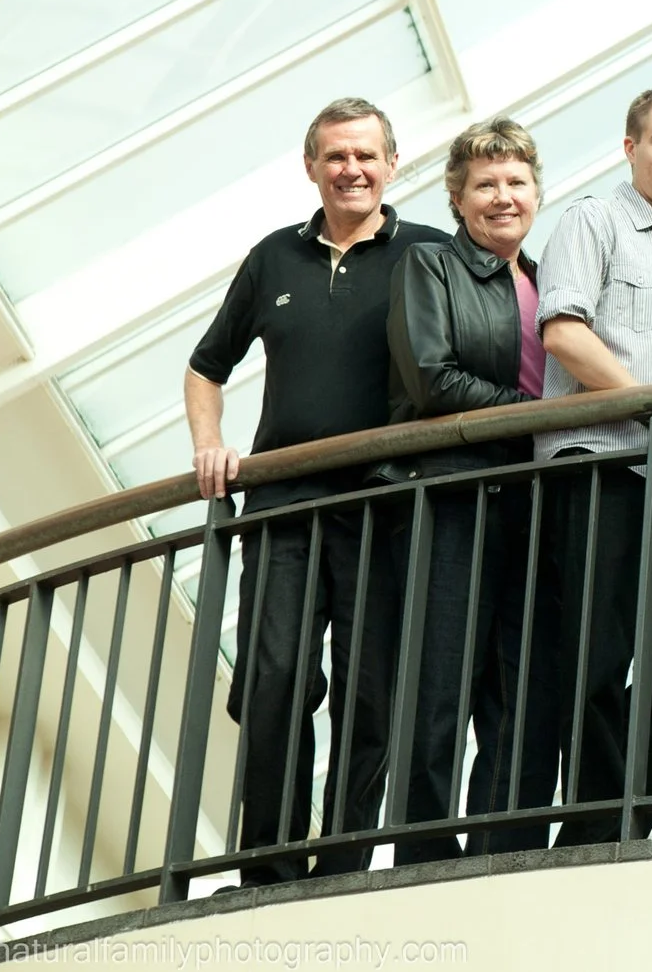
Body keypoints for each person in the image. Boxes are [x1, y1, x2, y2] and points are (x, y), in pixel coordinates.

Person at [186, 97, 448, 882]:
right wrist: (209, 446)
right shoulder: (274, 258)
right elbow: (207, 366)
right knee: (272, 679)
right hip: (281, 503)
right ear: (311, 167)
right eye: (336, 156)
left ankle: (339, 865)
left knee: (369, 693)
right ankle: (266, 865)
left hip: (382, 509)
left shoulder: (430, 253)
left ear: (393, 165)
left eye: (366, 155)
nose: (352, 169)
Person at [530, 83, 652, 846]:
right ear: (630, 147)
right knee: (598, 661)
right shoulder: (594, 220)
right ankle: (590, 840)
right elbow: (564, 334)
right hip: (602, 466)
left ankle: (615, 829)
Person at [375, 117, 546, 865]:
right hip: (451, 495)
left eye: (516, 182)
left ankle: (500, 854)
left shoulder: (546, 280)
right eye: (486, 185)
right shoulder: (430, 266)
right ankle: (422, 855)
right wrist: (541, 418)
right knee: (440, 680)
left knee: (515, 691)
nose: (502, 197)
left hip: (530, 499)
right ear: (457, 196)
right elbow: (432, 377)